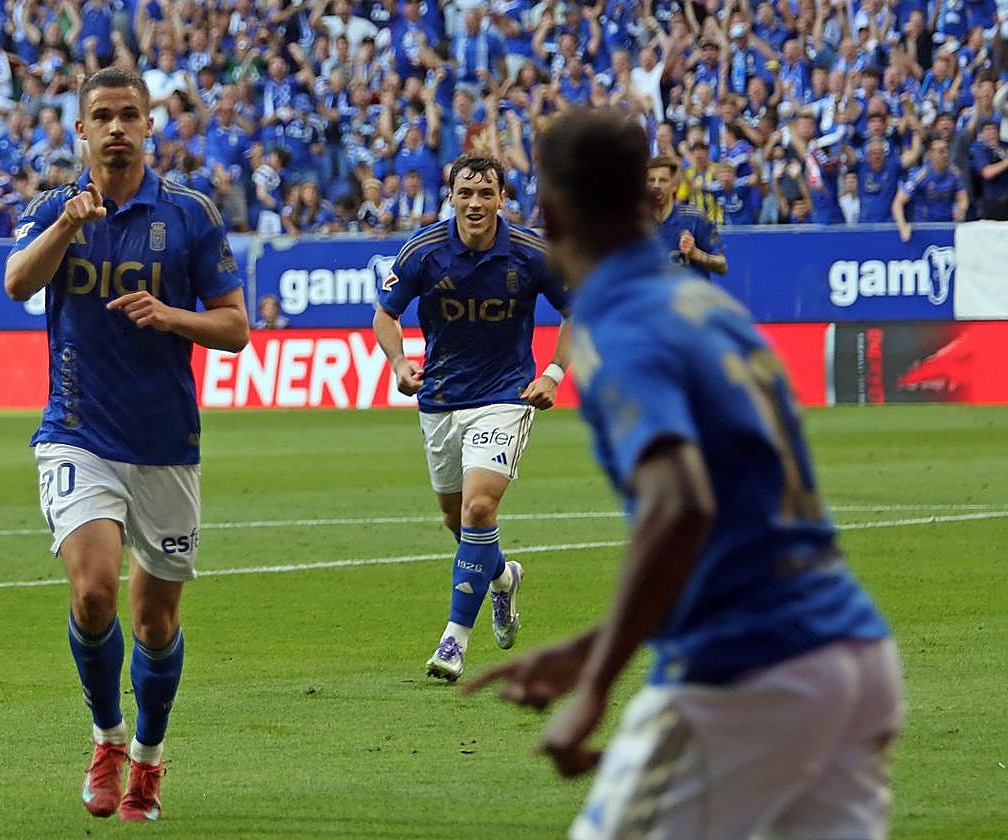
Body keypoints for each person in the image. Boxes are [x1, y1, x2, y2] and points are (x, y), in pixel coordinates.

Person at [465, 109, 903, 840]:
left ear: (547, 212)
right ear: (648, 197)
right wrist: (594, 645)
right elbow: (741, 522)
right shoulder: (709, 308)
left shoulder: (620, 321)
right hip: (850, 655)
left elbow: (682, 508)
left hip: (745, 674)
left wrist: (598, 687)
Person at [3, 68, 248, 823]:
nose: (115, 127)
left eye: (129, 115)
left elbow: (235, 328)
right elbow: (16, 284)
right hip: (77, 432)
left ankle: (147, 755)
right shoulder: (55, 210)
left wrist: (172, 317)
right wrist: (68, 226)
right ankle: (106, 739)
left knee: (155, 621)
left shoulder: (190, 215)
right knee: (93, 592)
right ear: (80, 130)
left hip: (166, 442)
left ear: (149, 127)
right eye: (101, 116)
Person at [372, 152, 572, 682]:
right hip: (440, 397)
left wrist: (552, 373)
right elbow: (385, 314)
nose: (476, 203)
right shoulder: (424, 251)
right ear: (452, 196)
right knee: (456, 519)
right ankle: (503, 577)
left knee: (480, 509)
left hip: (508, 394)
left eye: (487, 193)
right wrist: (397, 361)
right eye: (467, 193)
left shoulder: (532, 253)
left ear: (503, 198)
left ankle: (454, 641)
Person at [647, 155, 728, 281]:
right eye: (651, 180)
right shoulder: (637, 225)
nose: (656, 185)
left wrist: (696, 254)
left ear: (674, 186)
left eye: (663, 180)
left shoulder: (694, 218)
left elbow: (722, 266)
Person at [893, 134, 969, 242]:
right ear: (930, 154)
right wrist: (903, 226)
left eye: (946, 150)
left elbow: (963, 198)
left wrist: (961, 209)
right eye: (941, 151)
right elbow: (897, 203)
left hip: (947, 228)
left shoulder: (954, 173)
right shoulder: (920, 175)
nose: (945, 155)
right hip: (924, 230)